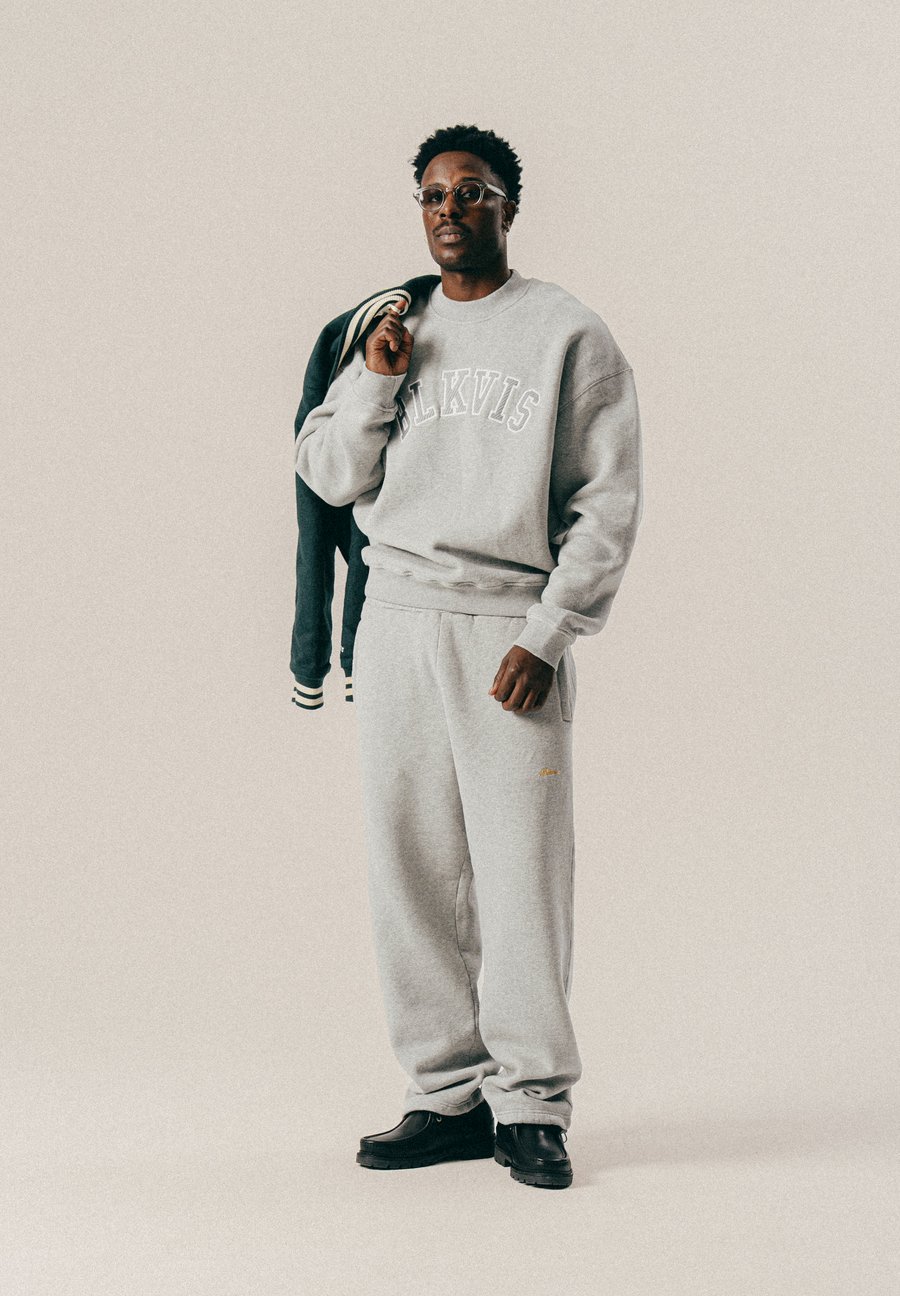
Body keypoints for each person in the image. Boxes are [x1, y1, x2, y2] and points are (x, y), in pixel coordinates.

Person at [294, 123, 643, 1189]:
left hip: (507, 628)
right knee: (410, 866)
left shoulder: (566, 332)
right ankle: (447, 1094)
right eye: (434, 195)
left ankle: (531, 1104)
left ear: (508, 206)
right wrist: (375, 382)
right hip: (397, 618)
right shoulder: (387, 328)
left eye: (473, 191)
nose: (450, 210)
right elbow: (328, 474)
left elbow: (606, 506)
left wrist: (549, 632)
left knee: (521, 872)